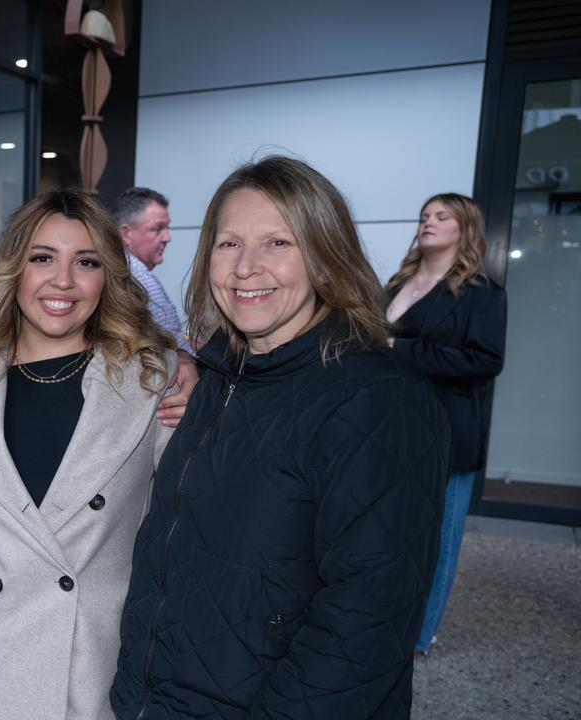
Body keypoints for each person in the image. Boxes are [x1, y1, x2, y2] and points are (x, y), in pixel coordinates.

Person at [111, 156, 449, 719]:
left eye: (277, 243)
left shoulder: (377, 402)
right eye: (228, 244)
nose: (246, 268)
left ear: (324, 254)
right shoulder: (219, 380)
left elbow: (364, 625)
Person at [0, 189, 179, 720]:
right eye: (42, 258)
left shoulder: (153, 380)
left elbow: (182, 534)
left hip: (100, 664)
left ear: (109, 277)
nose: (63, 281)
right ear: (14, 269)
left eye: (87, 262)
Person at [384, 193, 507, 654]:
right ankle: (388, 616)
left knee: (439, 540)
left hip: (450, 432)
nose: (428, 222)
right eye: (424, 216)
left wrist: (400, 351)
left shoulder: (483, 294)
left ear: (465, 229)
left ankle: (418, 636)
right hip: (394, 427)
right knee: (392, 529)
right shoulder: (397, 283)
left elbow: (486, 359)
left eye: (441, 216)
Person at [111, 187, 195, 355]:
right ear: (126, 233)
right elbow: (172, 344)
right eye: (157, 229)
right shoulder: (136, 275)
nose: (167, 238)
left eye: (167, 228)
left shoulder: (125, 270)